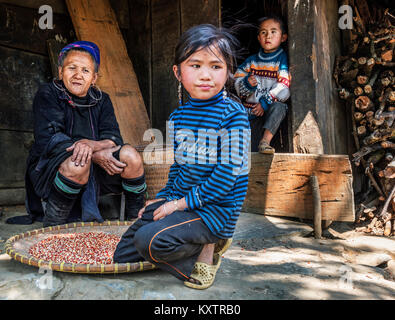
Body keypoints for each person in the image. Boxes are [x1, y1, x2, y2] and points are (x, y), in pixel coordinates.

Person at [113, 24, 250, 290]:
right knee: (123, 254)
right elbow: (180, 166)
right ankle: (190, 239)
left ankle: (209, 249)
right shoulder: (178, 117)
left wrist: (176, 206)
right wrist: (164, 197)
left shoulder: (233, 116)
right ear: (178, 72)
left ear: (228, 71)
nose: (206, 75)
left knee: (149, 242)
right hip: (185, 202)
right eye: (195, 65)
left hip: (216, 209)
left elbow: (225, 177)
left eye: (216, 66)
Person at [6, 41, 147, 226]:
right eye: (71, 68)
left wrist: (92, 147)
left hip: (97, 169)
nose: (78, 75)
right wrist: (92, 153)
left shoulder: (102, 100)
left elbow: (113, 137)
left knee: (131, 156)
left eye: (85, 71)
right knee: (78, 162)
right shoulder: (48, 93)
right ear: (60, 72)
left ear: (94, 78)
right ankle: (54, 223)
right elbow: (50, 138)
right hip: (52, 167)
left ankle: (135, 221)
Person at [234, 15, 290, 154]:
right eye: (263, 32)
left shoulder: (281, 61)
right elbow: (236, 79)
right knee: (250, 153)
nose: (268, 36)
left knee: (280, 107)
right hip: (251, 112)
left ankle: (265, 142)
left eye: (273, 32)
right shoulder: (251, 61)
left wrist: (265, 102)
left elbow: (284, 87)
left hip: (268, 110)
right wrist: (247, 84)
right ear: (259, 38)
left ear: (283, 37)